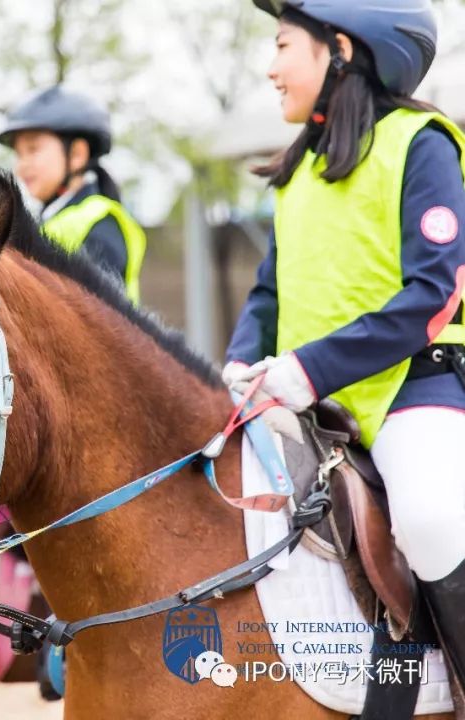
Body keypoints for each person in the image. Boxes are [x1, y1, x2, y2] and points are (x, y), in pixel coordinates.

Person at [224, 0, 465, 687]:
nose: (271, 69)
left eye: (282, 47)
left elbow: (433, 292)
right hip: (303, 397)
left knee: (429, 521)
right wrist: (241, 360)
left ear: (342, 49)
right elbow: (268, 292)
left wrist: (311, 368)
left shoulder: (423, 142)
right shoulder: (297, 171)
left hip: (412, 390)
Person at [0, 85, 146, 303]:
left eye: (33, 149)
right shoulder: (46, 222)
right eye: (19, 154)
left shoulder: (100, 223)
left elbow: (99, 320)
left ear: (76, 154)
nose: (21, 165)